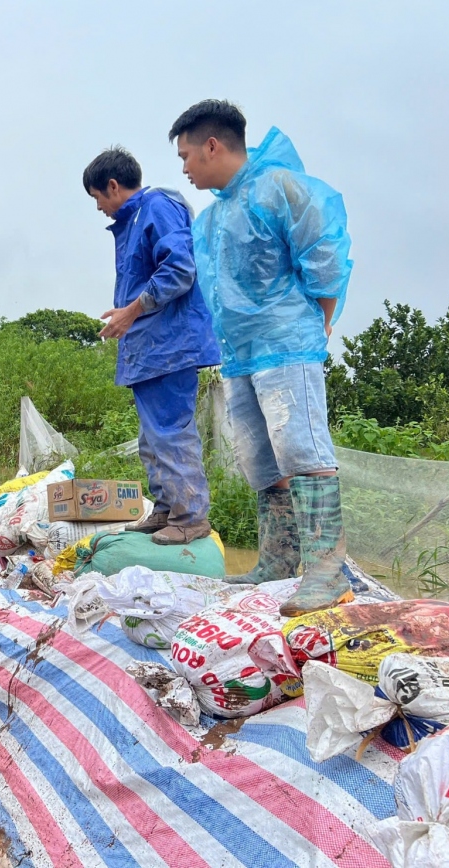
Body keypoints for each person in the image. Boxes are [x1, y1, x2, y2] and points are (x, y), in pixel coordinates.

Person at [170, 99, 353, 617]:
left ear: (212, 145)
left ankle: (325, 571)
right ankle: (277, 559)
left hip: (286, 343)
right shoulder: (211, 218)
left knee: (303, 450)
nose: (184, 168)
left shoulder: (280, 189)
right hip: (240, 356)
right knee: (261, 461)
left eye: (186, 155)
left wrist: (319, 319)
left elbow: (324, 253)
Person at [83, 146, 221, 545]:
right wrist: (128, 317)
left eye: (97, 198)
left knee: (171, 431)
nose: (99, 209)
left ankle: (191, 516)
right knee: (152, 436)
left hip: (169, 344)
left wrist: (132, 310)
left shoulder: (157, 206)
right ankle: (166, 508)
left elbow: (180, 269)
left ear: (112, 185)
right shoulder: (131, 223)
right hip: (148, 348)